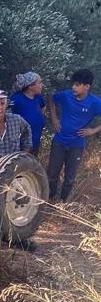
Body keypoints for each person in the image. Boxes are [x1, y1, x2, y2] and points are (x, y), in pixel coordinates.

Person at [46, 69, 101, 202]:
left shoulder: (95, 102)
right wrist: (54, 118)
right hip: (59, 141)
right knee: (52, 173)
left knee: (70, 177)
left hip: (77, 144)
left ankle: (63, 202)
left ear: (87, 86)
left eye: (77, 84)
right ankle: (49, 198)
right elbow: (51, 98)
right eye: (73, 84)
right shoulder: (66, 95)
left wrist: (93, 130)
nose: (73, 87)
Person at [10, 72, 46, 156]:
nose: (42, 85)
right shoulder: (16, 99)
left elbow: (43, 107)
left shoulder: (38, 98)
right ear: (30, 86)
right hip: (21, 146)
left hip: (35, 143)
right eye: (39, 82)